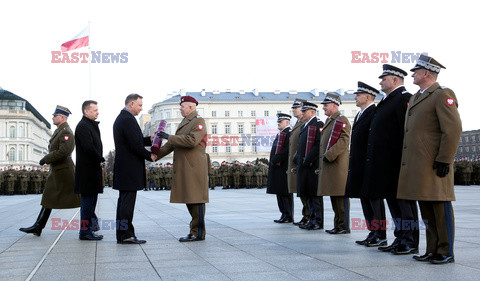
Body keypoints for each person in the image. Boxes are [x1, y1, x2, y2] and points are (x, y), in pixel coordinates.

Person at [397, 55, 462, 264]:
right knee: (426, 208)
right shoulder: (417, 97)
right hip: (420, 166)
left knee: (440, 208)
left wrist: (444, 159)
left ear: (427, 73)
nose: (412, 74)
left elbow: (452, 130)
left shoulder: (442, 95)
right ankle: (432, 248)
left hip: (435, 164)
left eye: (416, 71)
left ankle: (446, 251)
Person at [363, 64, 419, 254]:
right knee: (393, 202)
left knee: (404, 204)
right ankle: (400, 237)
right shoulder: (388, 100)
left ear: (395, 80)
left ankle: (410, 241)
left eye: (383, 78)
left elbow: (407, 132)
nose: (380, 82)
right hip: (385, 164)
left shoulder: (403, 98)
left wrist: (404, 160)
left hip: (397, 162)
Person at [19, 105, 81, 236]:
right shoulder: (59, 130)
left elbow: (64, 151)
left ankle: (91, 224)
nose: (52, 117)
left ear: (63, 117)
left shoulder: (66, 132)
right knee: (49, 198)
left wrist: (45, 159)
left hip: (64, 171)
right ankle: (38, 226)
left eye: (55, 115)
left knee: (79, 199)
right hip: (58, 170)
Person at [156, 95, 209, 242]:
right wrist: (153, 156)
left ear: (191, 107)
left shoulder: (198, 121)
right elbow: (172, 145)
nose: (180, 109)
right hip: (186, 166)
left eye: (182, 106)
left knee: (196, 199)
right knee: (189, 197)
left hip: (194, 166)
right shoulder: (185, 122)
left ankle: (198, 232)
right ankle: (195, 230)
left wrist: (169, 136)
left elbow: (192, 141)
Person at [113, 94, 157, 244]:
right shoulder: (127, 119)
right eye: (139, 105)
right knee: (127, 204)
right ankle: (126, 235)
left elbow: (133, 140)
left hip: (125, 168)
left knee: (123, 202)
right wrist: (149, 156)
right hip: (129, 168)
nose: (141, 108)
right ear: (131, 104)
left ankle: (122, 234)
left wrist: (149, 140)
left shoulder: (123, 118)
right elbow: (135, 146)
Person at [345, 82, 379, 244]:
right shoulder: (360, 114)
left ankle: (380, 234)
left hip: (369, 165)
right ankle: (372, 233)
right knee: (365, 200)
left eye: (358, 95)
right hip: (360, 164)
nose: (355, 98)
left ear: (368, 97)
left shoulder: (373, 112)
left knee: (374, 202)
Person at [317, 93, 351, 234]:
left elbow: (344, 140)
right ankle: (338, 224)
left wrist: (329, 155)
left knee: (340, 197)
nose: (324, 107)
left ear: (335, 105)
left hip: (337, 164)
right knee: (334, 196)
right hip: (331, 164)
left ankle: (344, 226)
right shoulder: (330, 120)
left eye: (326, 105)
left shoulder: (341, 119)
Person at [74, 100, 104, 240]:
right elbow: (88, 147)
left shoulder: (89, 125)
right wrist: (100, 159)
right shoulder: (83, 126)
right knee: (87, 202)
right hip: (87, 171)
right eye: (95, 110)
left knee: (91, 201)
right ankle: (85, 231)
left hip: (91, 170)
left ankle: (89, 228)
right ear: (86, 111)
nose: (97, 112)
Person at [295, 101, 324, 230]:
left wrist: (307, 159)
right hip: (304, 165)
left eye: (304, 111)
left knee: (314, 195)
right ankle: (312, 219)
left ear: (312, 112)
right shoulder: (305, 126)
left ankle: (318, 221)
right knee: (307, 194)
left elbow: (318, 145)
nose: (302, 113)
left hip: (312, 165)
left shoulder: (317, 124)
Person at [287, 99, 311, 226]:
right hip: (296, 160)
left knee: (304, 190)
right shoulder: (298, 123)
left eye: (296, 108)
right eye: (294, 108)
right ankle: (306, 215)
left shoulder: (304, 123)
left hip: (301, 160)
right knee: (300, 190)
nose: (294, 110)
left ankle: (308, 216)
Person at [267, 113, 292, 223]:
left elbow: (287, 150)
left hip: (283, 167)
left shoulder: (288, 133)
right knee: (279, 192)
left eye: (280, 122)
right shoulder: (281, 133)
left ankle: (288, 215)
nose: (278, 123)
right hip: (277, 167)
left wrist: (276, 159)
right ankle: (283, 214)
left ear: (287, 122)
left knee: (285, 193)